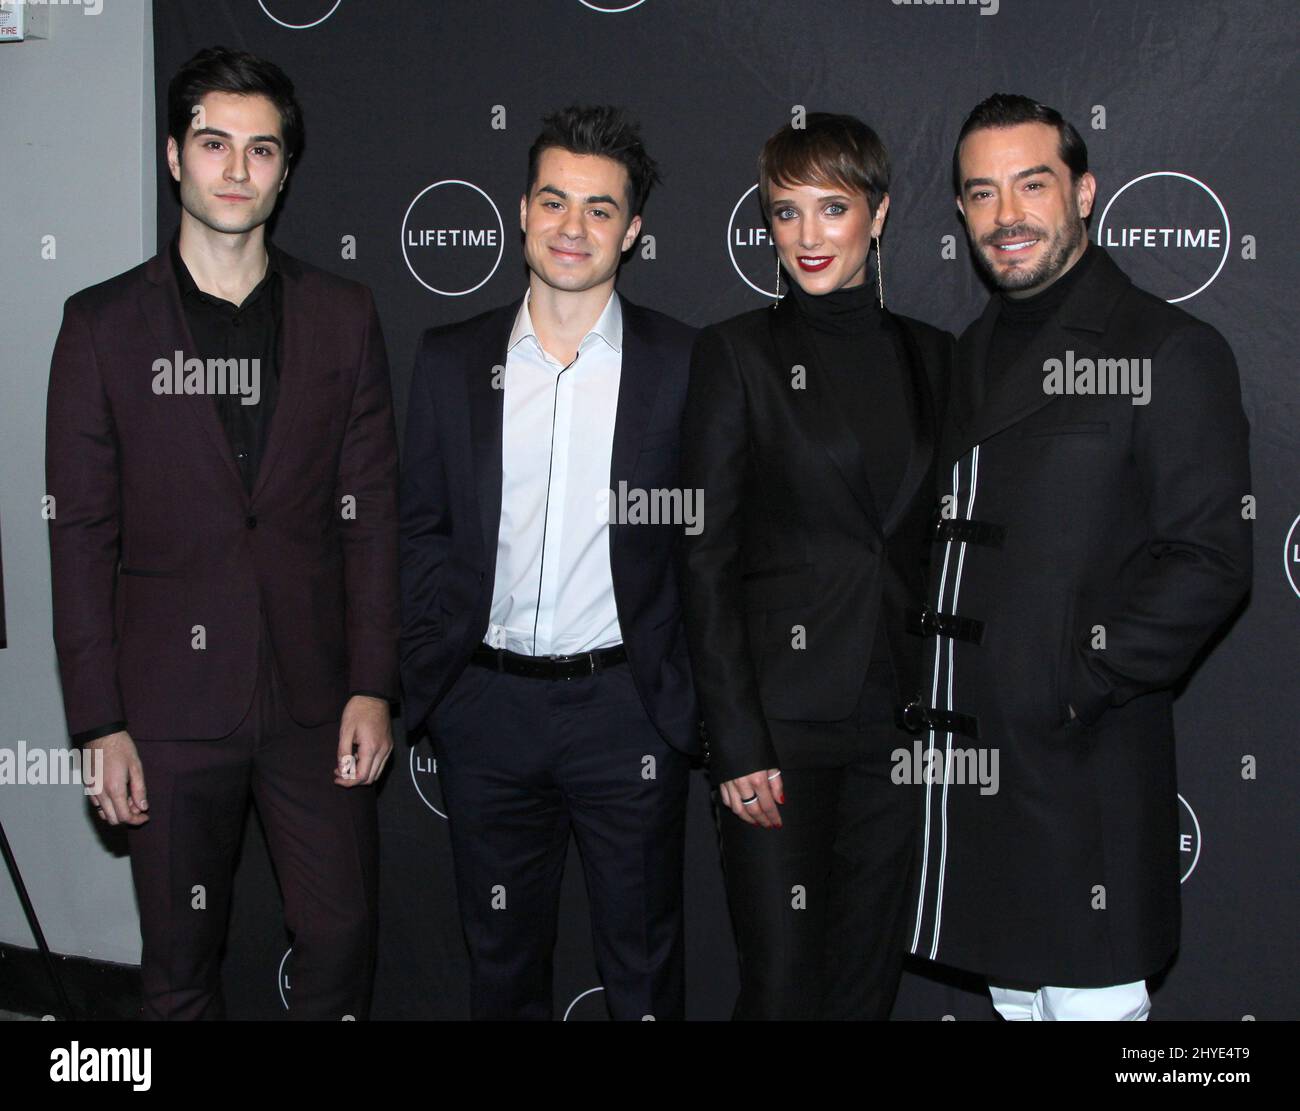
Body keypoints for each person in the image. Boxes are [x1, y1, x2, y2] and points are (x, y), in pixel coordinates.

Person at [46, 47, 399, 1020]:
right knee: (178, 966)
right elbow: (78, 535)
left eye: (260, 149)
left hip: (314, 700)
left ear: (286, 170)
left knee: (338, 941)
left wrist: (372, 681)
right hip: (163, 705)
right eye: (213, 144)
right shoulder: (100, 326)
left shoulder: (343, 315)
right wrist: (97, 720)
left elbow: (369, 515)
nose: (236, 169)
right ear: (173, 156)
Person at [904, 93, 1252, 1021]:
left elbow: (1210, 557)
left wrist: (1075, 677)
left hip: (1083, 781)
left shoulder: (1167, 347)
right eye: (981, 193)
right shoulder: (970, 351)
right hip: (981, 792)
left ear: (1085, 192)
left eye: (1031, 184)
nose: (1006, 215)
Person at [399, 105, 699, 1020]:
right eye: (556, 202)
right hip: (485, 711)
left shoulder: (685, 364)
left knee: (644, 965)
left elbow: (710, 548)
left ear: (633, 231)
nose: (575, 228)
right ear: (522, 211)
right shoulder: (451, 362)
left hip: (628, 713)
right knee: (500, 964)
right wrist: (434, 680)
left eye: (601, 209)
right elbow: (419, 530)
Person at [681, 113, 953, 1019]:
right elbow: (704, 557)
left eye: (830, 208)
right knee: (784, 985)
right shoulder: (737, 356)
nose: (806, 236)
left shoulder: (936, 358)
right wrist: (737, 739)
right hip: (780, 736)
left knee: (864, 987)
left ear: (876, 215)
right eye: (784, 212)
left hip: (899, 731)